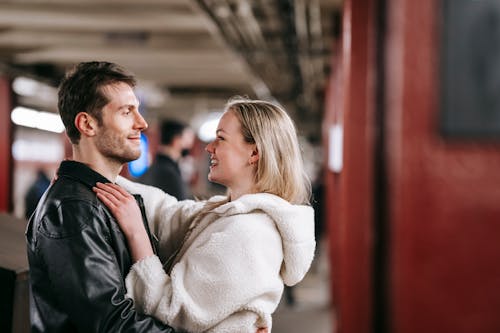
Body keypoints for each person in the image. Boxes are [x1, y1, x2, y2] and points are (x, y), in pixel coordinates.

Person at [94, 97, 316, 332]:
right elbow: (169, 213)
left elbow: (173, 310)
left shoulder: (248, 234)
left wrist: (137, 233)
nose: (209, 147)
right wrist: (97, 176)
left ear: (254, 153)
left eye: (221, 138)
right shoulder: (228, 212)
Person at [25, 61, 176, 332]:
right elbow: (112, 325)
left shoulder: (103, 198)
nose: (141, 123)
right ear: (87, 124)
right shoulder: (73, 210)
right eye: (127, 112)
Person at [139, 119, 194, 200]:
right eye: (187, 140)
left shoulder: (157, 167)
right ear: (176, 141)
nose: (190, 145)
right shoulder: (168, 173)